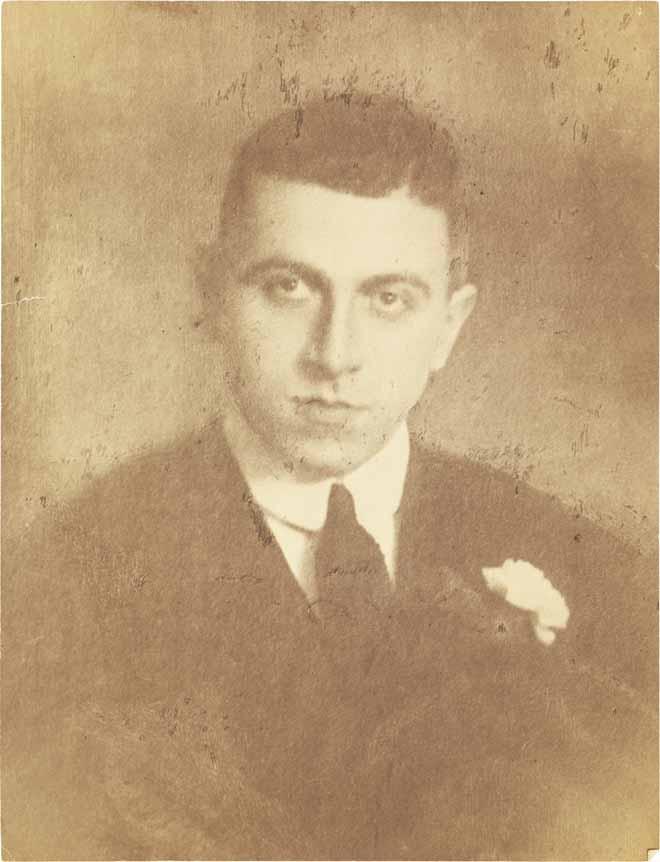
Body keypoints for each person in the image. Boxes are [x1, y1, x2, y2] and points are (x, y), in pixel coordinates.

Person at [3, 95, 657, 860]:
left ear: (449, 325)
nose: (335, 353)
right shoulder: (56, 585)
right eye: (288, 287)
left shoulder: (601, 576)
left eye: (387, 299)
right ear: (210, 296)